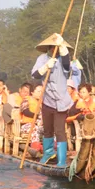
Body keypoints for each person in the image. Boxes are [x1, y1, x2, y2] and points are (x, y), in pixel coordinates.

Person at [31, 33, 73, 166]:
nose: (55, 49)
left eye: (57, 47)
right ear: (49, 47)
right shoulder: (43, 58)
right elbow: (35, 75)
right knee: (47, 129)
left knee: (59, 130)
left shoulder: (64, 59)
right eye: (53, 47)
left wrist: (62, 46)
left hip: (61, 102)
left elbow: (67, 66)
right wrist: (45, 67)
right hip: (47, 101)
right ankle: (48, 153)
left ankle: (61, 160)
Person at [20, 83, 44, 154]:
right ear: (32, 92)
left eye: (42, 91)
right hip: (26, 125)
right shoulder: (26, 100)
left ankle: (51, 147)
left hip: (39, 125)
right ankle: (35, 148)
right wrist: (37, 116)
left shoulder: (43, 103)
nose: (40, 93)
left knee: (50, 129)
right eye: (39, 91)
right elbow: (25, 112)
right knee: (34, 128)